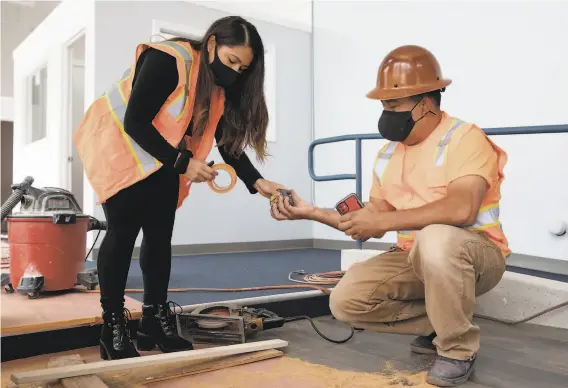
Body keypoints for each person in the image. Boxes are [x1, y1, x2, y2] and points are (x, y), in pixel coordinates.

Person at [272, 45, 509, 387]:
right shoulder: (387, 155)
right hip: (413, 257)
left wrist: (383, 221)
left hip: (478, 256)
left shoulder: (464, 139)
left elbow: (461, 209)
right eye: (384, 105)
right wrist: (309, 211)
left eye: (394, 105)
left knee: (436, 236)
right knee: (346, 300)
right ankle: (441, 324)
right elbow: (370, 218)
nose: (386, 113)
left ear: (425, 104)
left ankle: (457, 348)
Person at [74, 16, 286, 360]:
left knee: (159, 235)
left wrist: (257, 181)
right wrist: (183, 163)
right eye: (232, 61)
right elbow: (135, 121)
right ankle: (112, 326)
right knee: (123, 232)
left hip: (162, 157)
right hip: (118, 147)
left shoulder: (217, 84)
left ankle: (153, 320)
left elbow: (225, 140)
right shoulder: (168, 59)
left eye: (243, 68)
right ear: (213, 43)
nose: (235, 72)